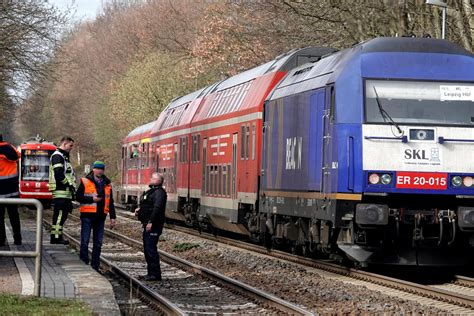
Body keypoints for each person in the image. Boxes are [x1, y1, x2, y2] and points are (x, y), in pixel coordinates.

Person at [76, 160, 116, 272]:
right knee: (85, 241)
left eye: (101, 169)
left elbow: (110, 202)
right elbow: (78, 197)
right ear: (93, 169)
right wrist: (91, 199)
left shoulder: (107, 184)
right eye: (97, 168)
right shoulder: (85, 181)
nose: (99, 171)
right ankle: (84, 264)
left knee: (98, 243)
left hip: (100, 217)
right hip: (87, 215)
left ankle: (95, 266)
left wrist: (113, 217)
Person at [135, 172, 167, 281]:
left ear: (159, 181)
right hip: (147, 223)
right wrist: (140, 210)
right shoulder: (152, 192)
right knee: (147, 249)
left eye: (153, 178)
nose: (151, 179)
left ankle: (155, 274)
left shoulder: (159, 193)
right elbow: (148, 205)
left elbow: (157, 208)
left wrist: (151, 221)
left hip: (153, 225)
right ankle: (150, 273)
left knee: (151, 249)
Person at [49, 136, 76, 244]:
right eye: (70, 145)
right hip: (61, 191)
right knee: (59, 215)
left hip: (65, 192)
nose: (71, 148)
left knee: (62, 215)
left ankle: (57, 236)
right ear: (64, 144)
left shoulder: (63, 156)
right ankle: (55, 237)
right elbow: (58, 174)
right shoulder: (57, 156)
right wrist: (68, 185)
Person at [0, 134, 22, 246]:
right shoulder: (10, 148)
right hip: (12, 190)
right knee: (14, 216)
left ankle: (1, 240)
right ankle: (18, 239)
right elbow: (18, 155)